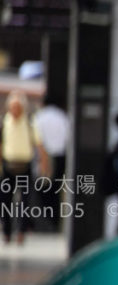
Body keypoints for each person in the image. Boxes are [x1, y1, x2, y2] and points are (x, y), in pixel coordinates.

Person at [1, 91, 49, 245]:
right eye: (12, 107)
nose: (15, 110)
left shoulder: (29, 122)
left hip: (25, 166)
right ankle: (7, 231)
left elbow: (39, 145)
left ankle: (21, 231)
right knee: (5, 200)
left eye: (18, 107)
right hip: (8, 165)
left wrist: (44, 164)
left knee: (24, 202)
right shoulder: (4, 122)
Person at [34, 96, 69, 232]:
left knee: (42, 190)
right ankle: (54, 221)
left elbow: (37, 139)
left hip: (44, 156)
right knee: (56, 190)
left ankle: (43, 221)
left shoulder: (40, 117)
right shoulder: (62, 116)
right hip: (60, 156)